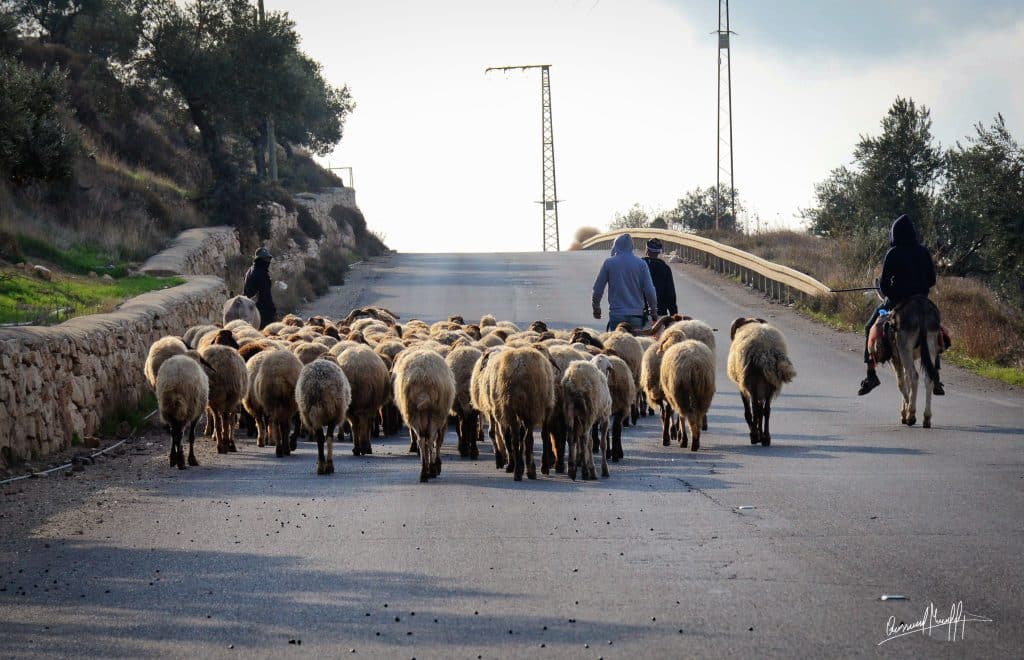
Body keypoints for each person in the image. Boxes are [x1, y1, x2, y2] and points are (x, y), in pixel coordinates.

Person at [858, 214, 939, 396]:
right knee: (936, 328)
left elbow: (885, 284)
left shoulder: (893, 253)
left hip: (897, 301)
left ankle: (871, 374)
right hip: (922, 301)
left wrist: (892, 294)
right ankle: (936, 374)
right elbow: (932, 280)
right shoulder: (923, 251)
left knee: (869, 326)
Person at [592, 233, 658, 331]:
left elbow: (598, 289)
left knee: (617, 344)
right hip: (636, 315)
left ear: (616, 246)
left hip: (617, 315)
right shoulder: (641, 264)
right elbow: (649, 290)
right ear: (631, 246)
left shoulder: (609, 263)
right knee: (634, 344)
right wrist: (653, 311)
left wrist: (596, 308)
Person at [642, 238, 678, 318]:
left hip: (640, 312)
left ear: (646, 250)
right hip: (660, 312)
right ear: (659, 251)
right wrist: (674, 314)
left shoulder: (639, 265)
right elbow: (670, 294)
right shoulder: (665, 268)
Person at [243, 247, 277, 330]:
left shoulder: (250, 270)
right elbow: (266, 295)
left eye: (268, 259)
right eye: (266, 259)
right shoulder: (262, 274)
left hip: (248, 307)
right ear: (259, 260)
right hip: (261, 310)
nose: (268, 261)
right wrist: (272, 310)